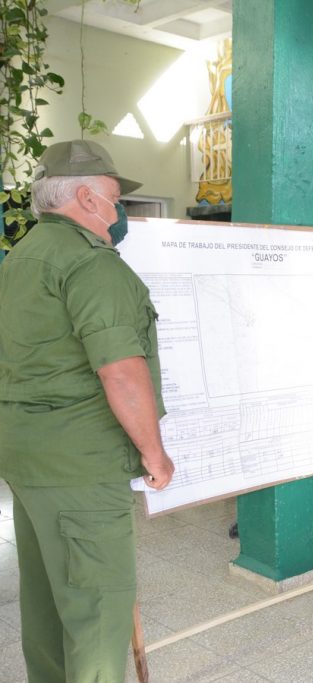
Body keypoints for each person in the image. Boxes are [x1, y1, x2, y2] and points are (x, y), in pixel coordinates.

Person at [0, 140, 175, 681]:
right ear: (85, 196)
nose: (121, 212)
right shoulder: (91, 265)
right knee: (97, 613)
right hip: (81, 466)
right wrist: (154, 453)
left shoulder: (19, 259)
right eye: (116, 198)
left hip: (29, 461)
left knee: (50, 602)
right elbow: (120, 371)